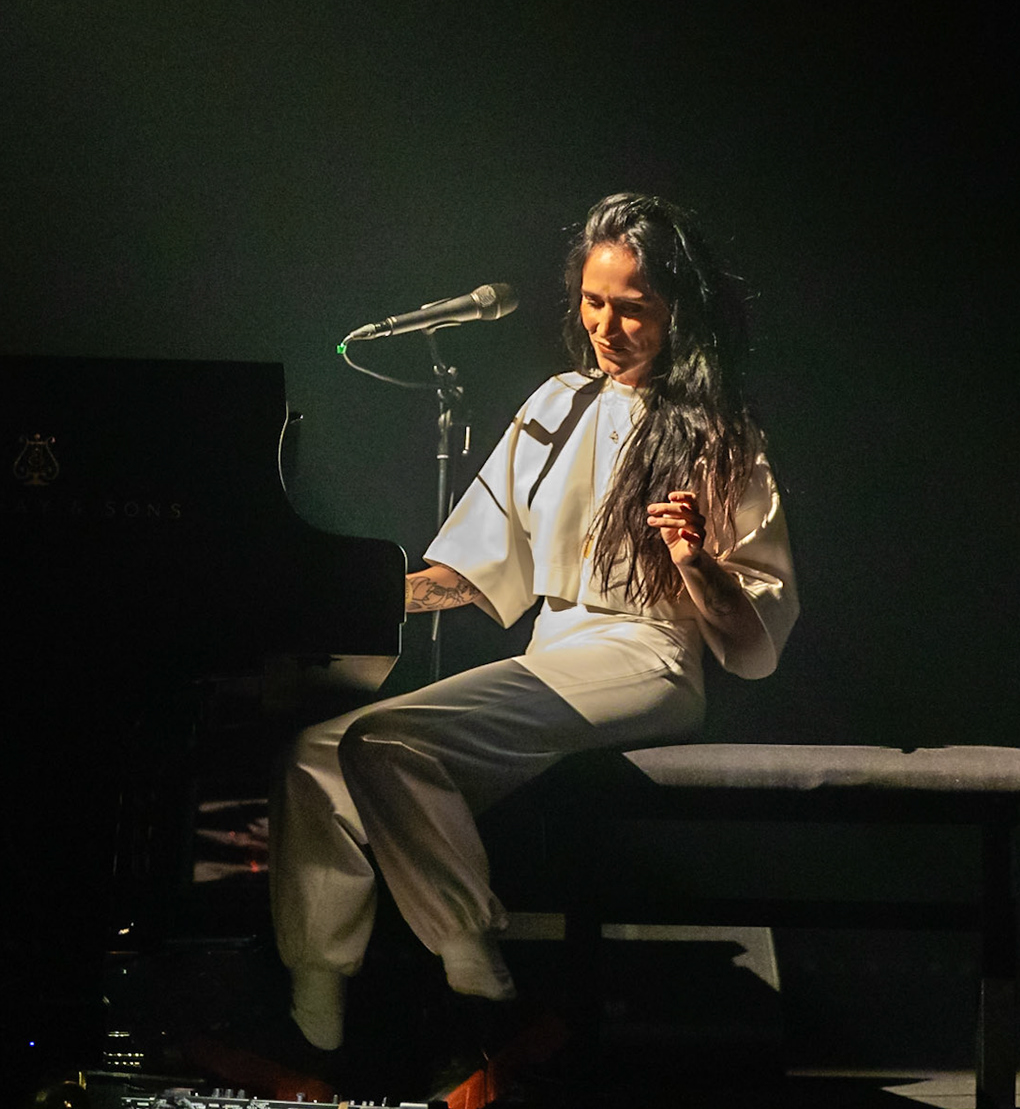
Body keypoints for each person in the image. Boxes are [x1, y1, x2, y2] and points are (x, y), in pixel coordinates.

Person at [269, 192, 798, 1051]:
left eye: (634, 308)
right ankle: (315, 1004)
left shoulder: (716, 432)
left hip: (647, 659)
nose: (607, 325)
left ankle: (477, 962)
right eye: (594, 302)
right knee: (316, 756)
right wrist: (348, 597)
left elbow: (753, 645)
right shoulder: (553, 404)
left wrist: (697, 562)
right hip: (551, 652)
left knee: (384, 743)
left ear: (678, 312)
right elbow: (474, 572)